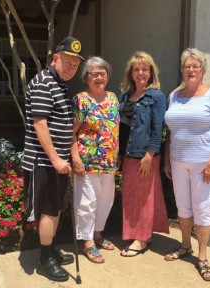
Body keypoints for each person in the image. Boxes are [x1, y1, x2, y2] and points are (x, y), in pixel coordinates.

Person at [163, 48, 210, 282]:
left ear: (202, 70)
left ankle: (202, 257)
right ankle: (185, 246)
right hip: (177, 161)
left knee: (201, 208)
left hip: (202, 162)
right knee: (183, 207)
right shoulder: (174, 95)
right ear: (182, 70)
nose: (191, 70)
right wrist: (166, 159)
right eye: (186, 66)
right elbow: (170, 132)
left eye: (195, 66)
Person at [22, 36, 84, 282]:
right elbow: (40, 124)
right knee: (48, 211)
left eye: (76, 65)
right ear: (55, 58)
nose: (72, 68)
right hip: (45, 162)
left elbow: (60, 123)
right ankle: (44, 259)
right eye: (68, 62)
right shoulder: (44, 82)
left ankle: (51, 250)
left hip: (57, 163)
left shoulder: (60, 84)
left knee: (56, 209)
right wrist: (57, 159)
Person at [118, 51, 169, 257]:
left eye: (144, 69)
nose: (140, 72)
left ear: (151, 73)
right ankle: (138, 233)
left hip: (145, 155)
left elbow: (158, 128)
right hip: (128, 155)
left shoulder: (156, 96)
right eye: (136, 69)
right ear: (131, 73)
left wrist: (150, 154)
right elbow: (121, 129)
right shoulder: (124, 96)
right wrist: (120, 154)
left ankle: (142, 238)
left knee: (145, 197)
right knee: (131, 197)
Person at [71, 56, 119, 263]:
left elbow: (116, 130)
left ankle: (98, 234)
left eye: (103, 73)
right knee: (86, 203)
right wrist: (75, 159)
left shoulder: (114, 98)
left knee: (106, 201)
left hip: (109, 162)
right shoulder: (81, 100)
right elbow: (71, 133)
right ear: (86, 77)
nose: (99, 78)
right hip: (87, 162)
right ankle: (87, 242)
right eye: (94, 74)